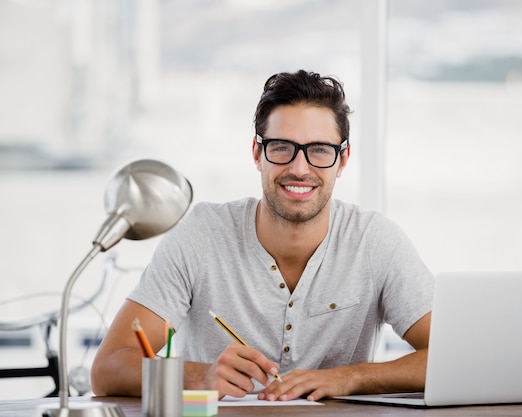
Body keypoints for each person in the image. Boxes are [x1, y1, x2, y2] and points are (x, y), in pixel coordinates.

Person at [91, 69, 434, 402]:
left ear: (342, 160)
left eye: (319, 150)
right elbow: (107, 369)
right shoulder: (202, 235)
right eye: (282, 147)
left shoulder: (375, 242)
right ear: (257, 154)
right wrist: (202, 376)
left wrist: (348, 377)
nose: (299, 168)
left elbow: (450, 356)